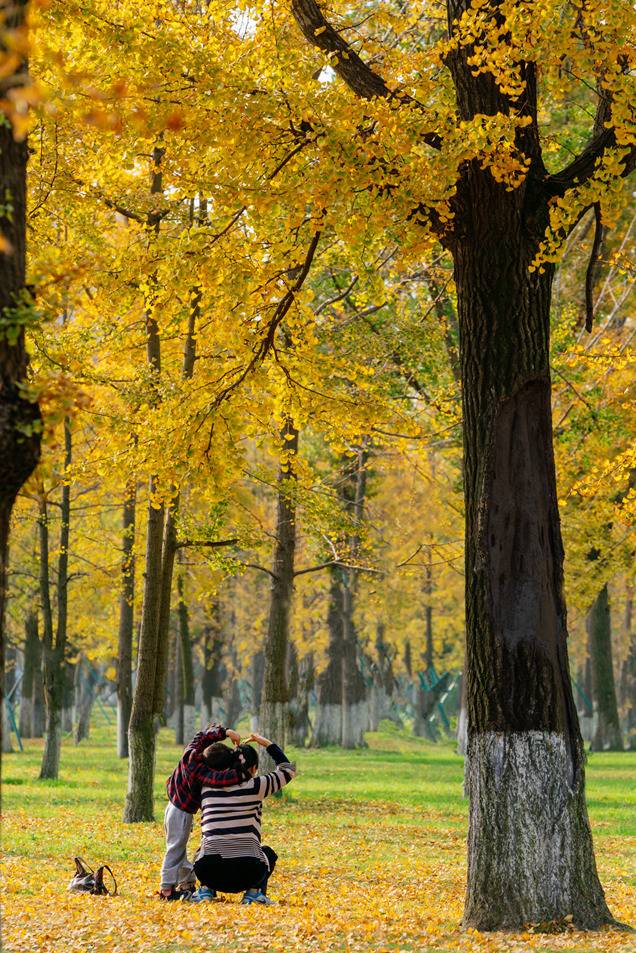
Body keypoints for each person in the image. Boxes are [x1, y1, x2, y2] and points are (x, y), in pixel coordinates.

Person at [191, 731, 296, 905]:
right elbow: (288, 770)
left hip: (209, 873)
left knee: (205, 846)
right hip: (249, 873)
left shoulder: (206, 788)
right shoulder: (256, 786)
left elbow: (194, 761)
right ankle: (254, 893)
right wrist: (267, 744)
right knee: (267, 853)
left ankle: (205, 890)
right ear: (254, 768)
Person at [159, 723, 242, 900]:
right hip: (180, 813)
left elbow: (202, 736)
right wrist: (244, 769)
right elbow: (224, 779)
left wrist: (226, 732)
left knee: (178, 847)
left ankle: (187, 882)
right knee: (175, 849)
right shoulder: (201, 773)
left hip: (172, 807)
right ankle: (166, 889)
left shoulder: (192, 753)